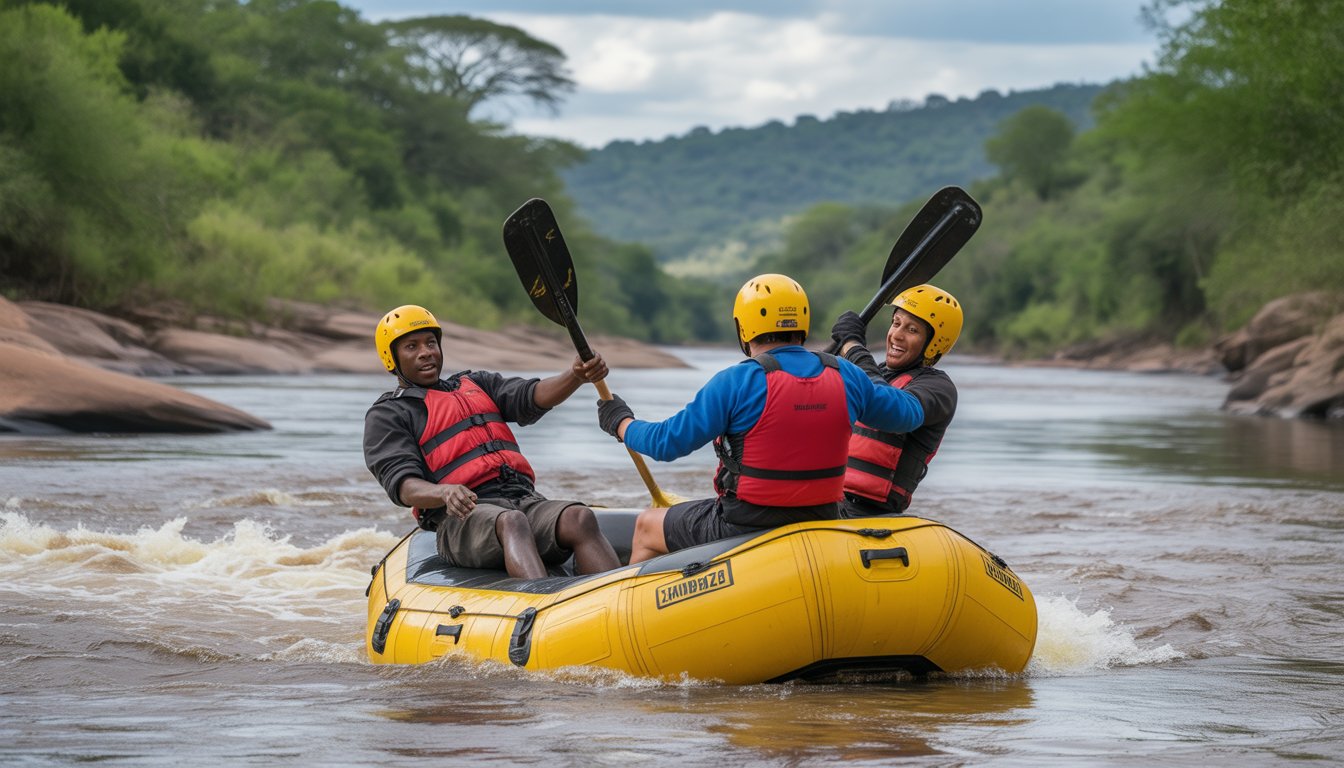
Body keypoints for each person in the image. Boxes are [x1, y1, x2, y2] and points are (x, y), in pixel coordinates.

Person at [594, 274, 927, 563]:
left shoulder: (736, 381)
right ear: (803, 324)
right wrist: (857, 355)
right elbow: (909, 414)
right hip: (823, 518)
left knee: (647, 526)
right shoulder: (848, 377)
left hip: (743, 523)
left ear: (744, 328)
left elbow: (665, 443)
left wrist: (620, 422)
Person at [363, 304, 620, 579]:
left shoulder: (478, 384)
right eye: (411, 347)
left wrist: (576, 376)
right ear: (392, 359)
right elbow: (403, 486)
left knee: (579, 518)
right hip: (461, 518)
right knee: (512, 522)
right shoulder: (389, 413)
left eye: (430, 343)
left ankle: (617, 601)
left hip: (522, 500)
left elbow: (532, 396)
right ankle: (541, 606)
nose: (426, 351)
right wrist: (445, 492)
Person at [828, 284, 961, 517]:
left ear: (934, 343)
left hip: (870, 513)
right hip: (827, 502)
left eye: (912, 330)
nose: (897, 335)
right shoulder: (873, 375)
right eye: (896, 323)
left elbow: (891, 409)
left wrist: (853, 347)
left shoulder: (939, 389)